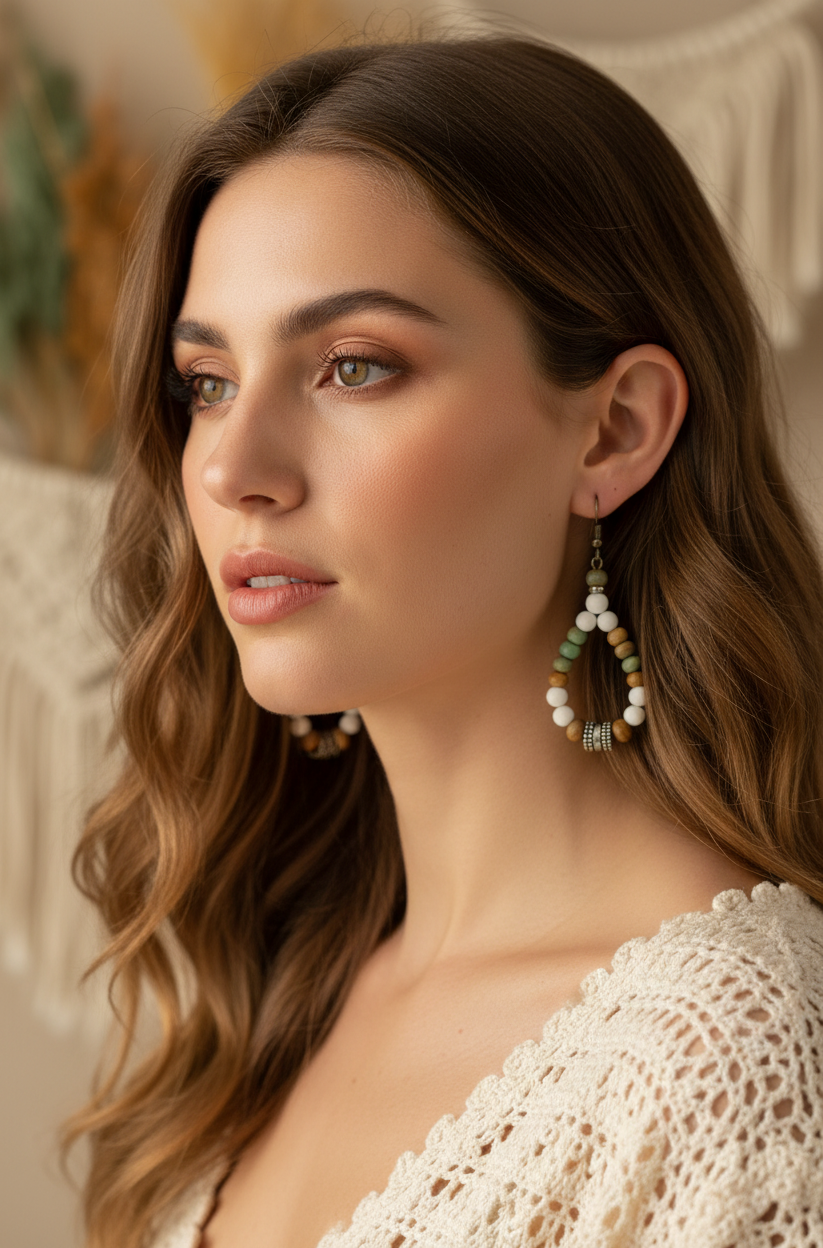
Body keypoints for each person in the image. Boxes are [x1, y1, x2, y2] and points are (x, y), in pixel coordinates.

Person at [64, 33, 823, 1248]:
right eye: (206, 382)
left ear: (614, 430)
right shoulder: (286, 995)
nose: (230, 468)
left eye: (353, 367)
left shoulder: (718, 1059)